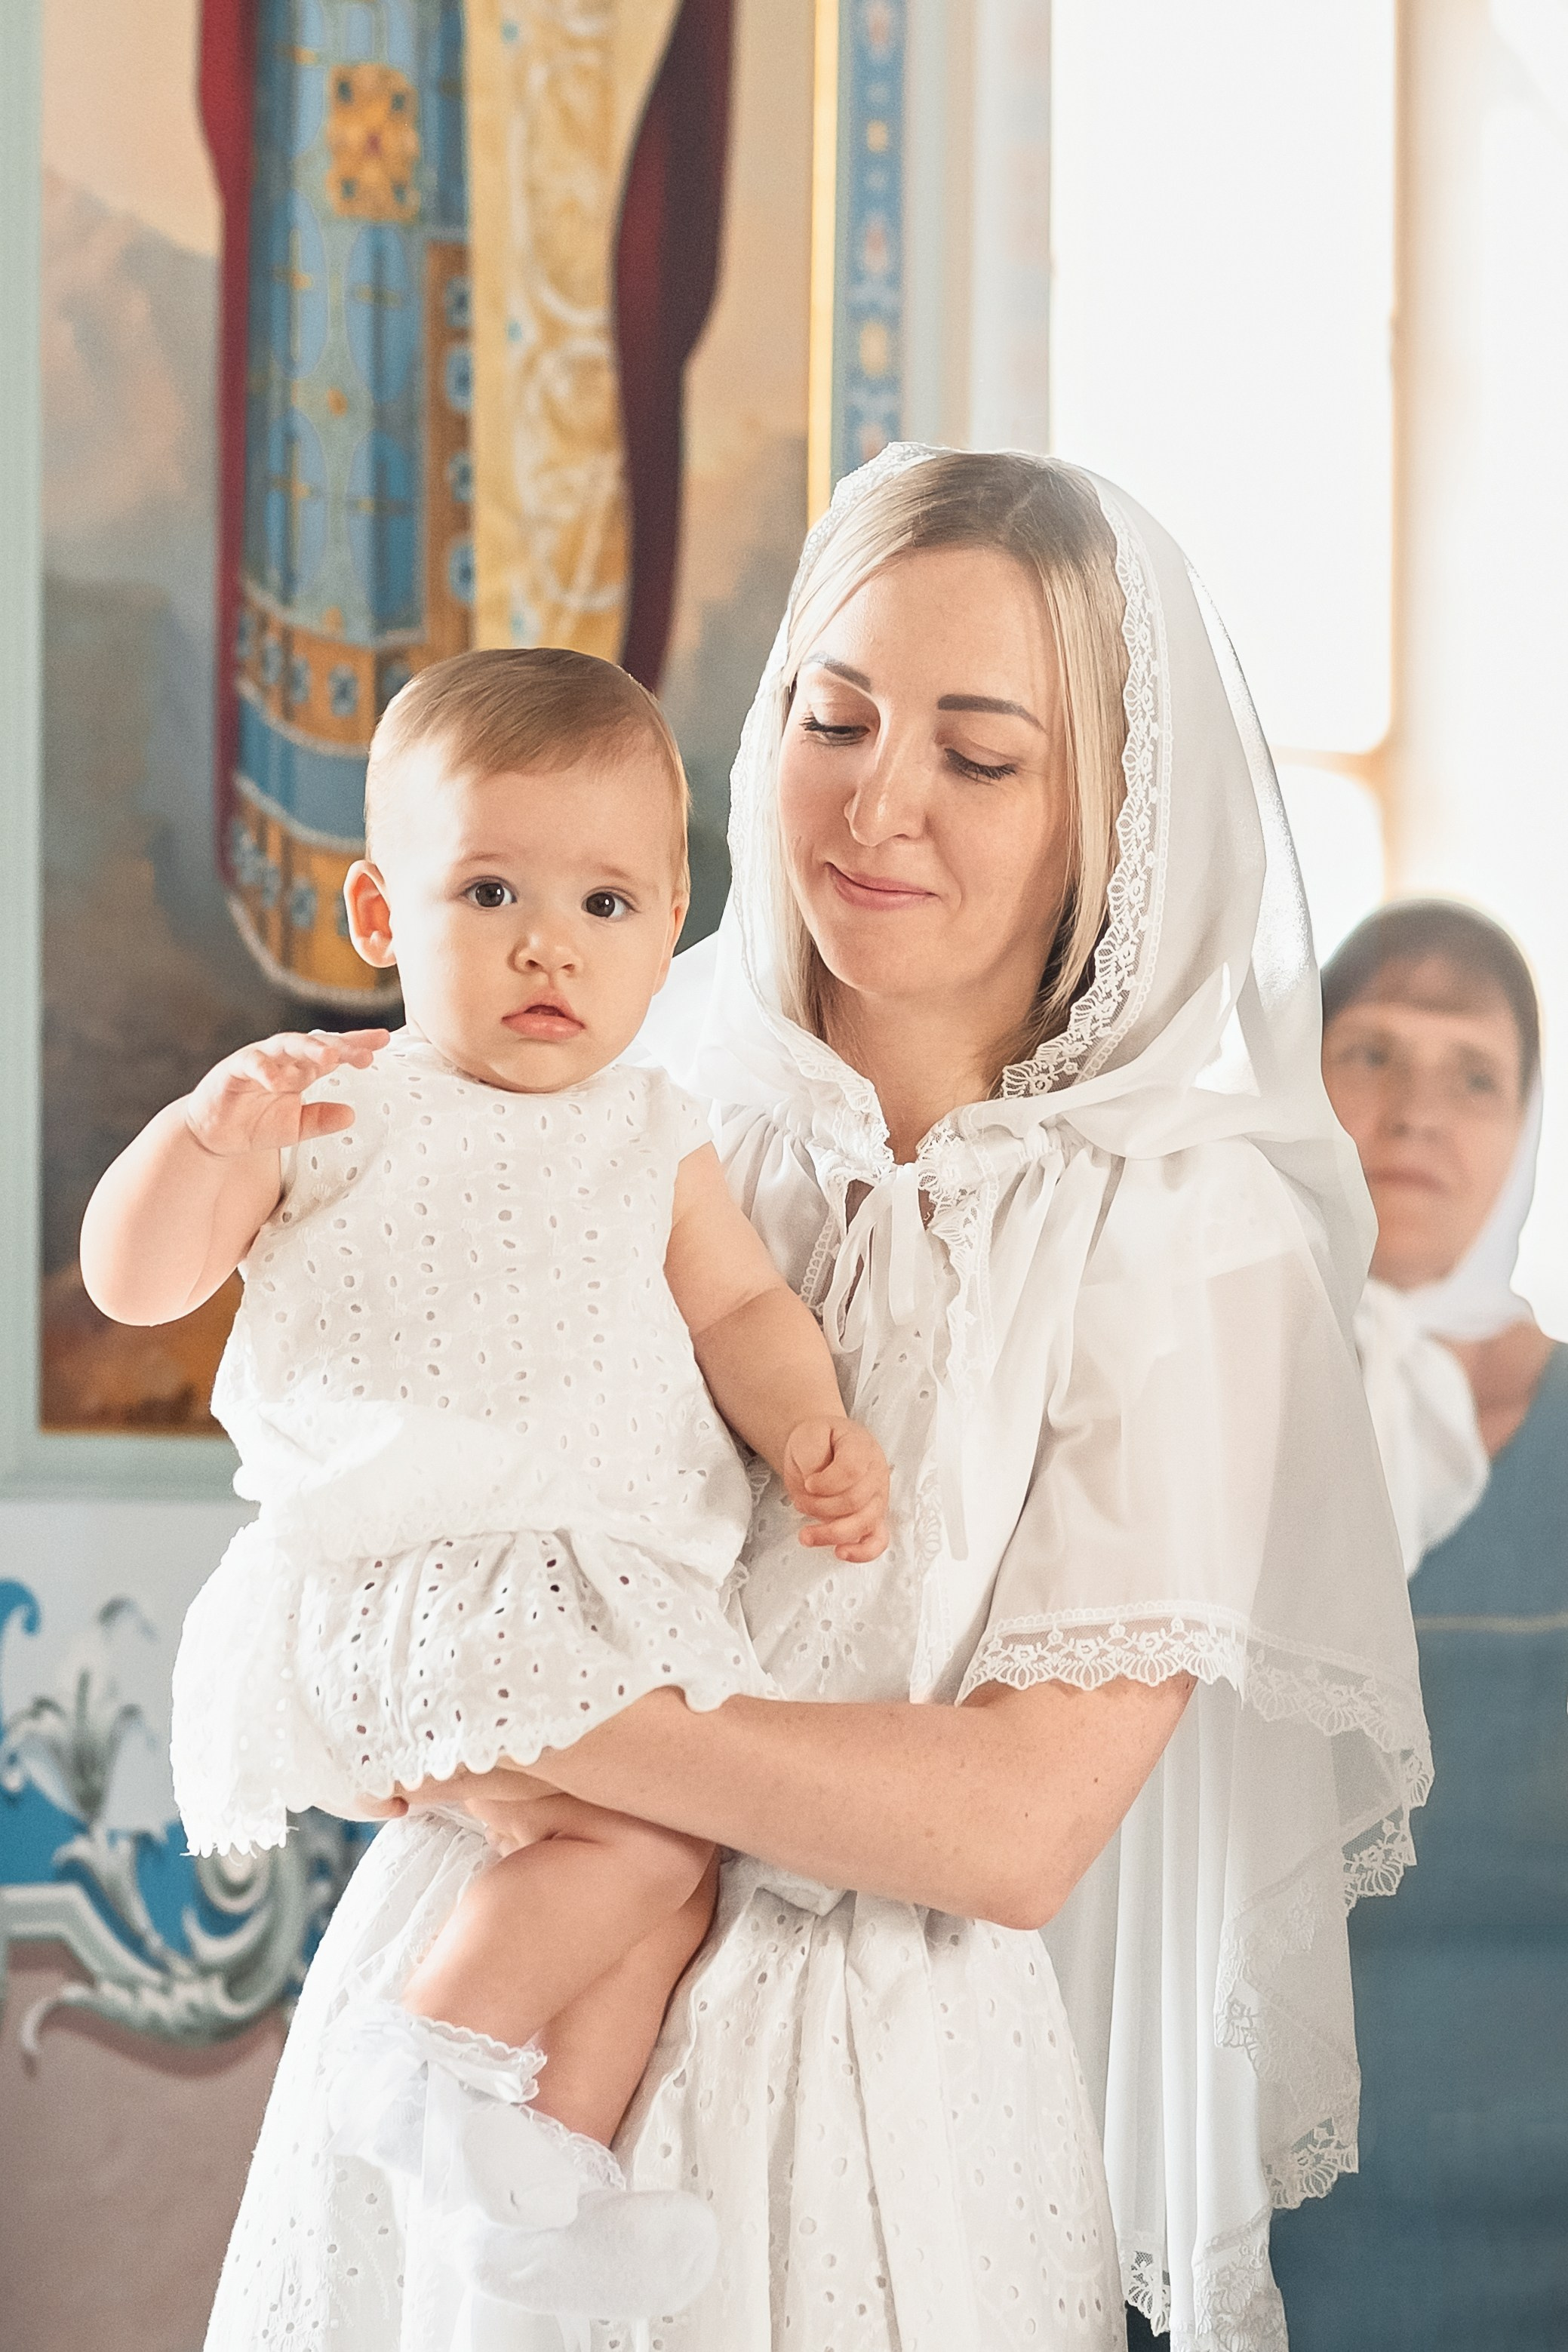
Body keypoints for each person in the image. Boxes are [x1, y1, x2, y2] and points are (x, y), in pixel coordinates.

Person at [188, 445, 1428, 2352]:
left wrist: (552, 1712)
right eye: (833, 715)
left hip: (874, 2112)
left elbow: (1008, 1822)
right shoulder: (623, 1071)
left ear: (1106, 811)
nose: (878, 800)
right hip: (472, 2021)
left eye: (979, 753)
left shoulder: (1190, 1236)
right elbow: (344, 1551)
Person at [78, 648, 891, 2328]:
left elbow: (738, 1304)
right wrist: (200, 1142)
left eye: (604, 901)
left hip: (578, 1594)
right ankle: (419, 2051)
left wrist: (808, 1422)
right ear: (380, 911)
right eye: (492, 888)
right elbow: (137, 1279)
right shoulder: (336, 1099)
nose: (549, 940)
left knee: (667, 1880)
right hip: (417, 1575)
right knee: (650, 1830)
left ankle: (528, 2194)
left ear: (668, 925)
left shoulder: (650, 1125)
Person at [1270, 899, 1568, 2350]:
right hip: (1239, 2194)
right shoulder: (1187, 1411)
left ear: (1528, 1131)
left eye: (1474, 1075)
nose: (1413, 1111)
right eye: (1368, 1052)